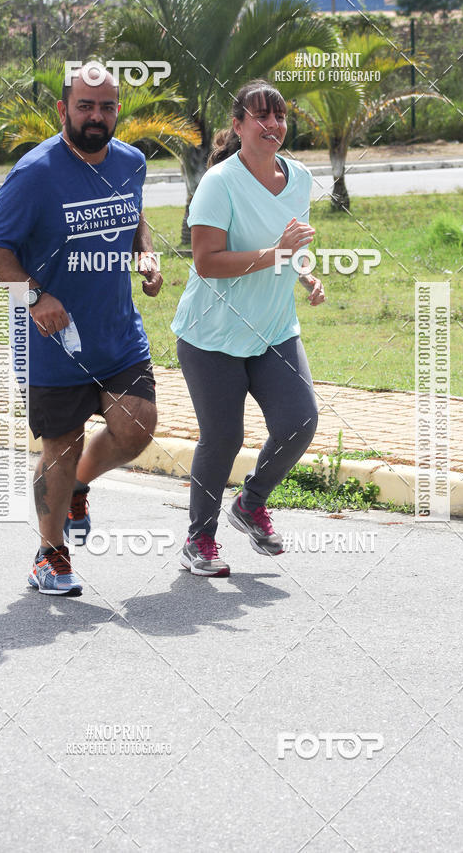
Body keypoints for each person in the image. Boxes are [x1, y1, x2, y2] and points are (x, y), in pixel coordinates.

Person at [0, 63, 163, 596]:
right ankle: (49, 553)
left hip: (117, 332)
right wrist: (34, 295)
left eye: (106, 107)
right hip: (52, 341)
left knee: (138, 427)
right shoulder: (35, 173)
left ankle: (80, 483)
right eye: (85, 106)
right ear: (63, 110)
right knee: (59, 444)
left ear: (117, 109)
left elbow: (132, 217)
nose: (96, 116)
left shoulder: (131, 162)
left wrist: (144, 256)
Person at [171, 78, 325, 578]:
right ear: (237, 127)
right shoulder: (219, 183)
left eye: (279, 115)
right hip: (212, 335)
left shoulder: (298, 177)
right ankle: (199, 541)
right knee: (223, 438)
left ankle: (251, 502)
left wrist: (305, 274)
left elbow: (291, 243)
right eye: (260, 116)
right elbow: (207, 262)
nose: (272, 125)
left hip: (275, 329)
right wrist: (277, 254)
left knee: (299, 421)